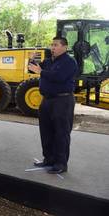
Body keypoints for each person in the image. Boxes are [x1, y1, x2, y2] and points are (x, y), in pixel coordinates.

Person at [28, 36, 78, 174]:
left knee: (61, 133)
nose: (52, 47)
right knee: (46, 131)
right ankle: (48, 159)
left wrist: (41, 72)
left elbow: (59, 77)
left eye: (56, 45)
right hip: (47, 100)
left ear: (65, 47)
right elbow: (33, 70)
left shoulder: (69, 62)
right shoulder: (49, 61)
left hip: (62, 101)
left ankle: (61, 164)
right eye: (52, 44)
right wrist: (31, 60)